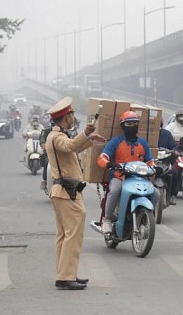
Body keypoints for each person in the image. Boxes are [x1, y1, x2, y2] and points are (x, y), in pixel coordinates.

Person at [46, 96, 106, 290]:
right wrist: (85, 134)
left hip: (63, 191)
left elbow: (73, 147)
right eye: (71, 114)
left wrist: (88, 138)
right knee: (72, 234)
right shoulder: (57, 138)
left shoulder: (58, 136)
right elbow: (71, 146)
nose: (73, 117)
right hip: (66, 192)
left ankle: (65, 274)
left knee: (64, 235)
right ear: (66, 118)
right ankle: (65, 277)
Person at [97, 111, 158, 234]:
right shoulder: (115, 142)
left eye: (134, 123)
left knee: (156, 193)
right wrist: (109, 163)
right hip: (120, 177)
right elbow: (101, 158)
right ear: (123, 126)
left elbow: (150, 161)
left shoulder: (143, 143)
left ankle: (146, 217)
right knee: (114, 191)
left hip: (140, 178)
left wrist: (154, 167)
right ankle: (107, 219)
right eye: (128, 124)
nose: (132, 126)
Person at [158, 121, 179, 205]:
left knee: (175, 173)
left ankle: (173, 195)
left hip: (164, 162)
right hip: (149, 162)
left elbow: (173, 146)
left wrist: (174, 152)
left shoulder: (166, 134)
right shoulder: (144, 134)